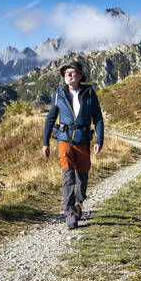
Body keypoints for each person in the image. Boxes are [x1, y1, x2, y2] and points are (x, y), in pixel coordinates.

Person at [42, 61, 104, 229]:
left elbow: (97, 118)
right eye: (66, 73)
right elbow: (50, 119)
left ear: (80, 76)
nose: (69, 75)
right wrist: (45, 142)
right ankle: (70, 212)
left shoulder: (89, 93)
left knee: (82, 177)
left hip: (83, 139)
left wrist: (99, 140)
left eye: (73, 72)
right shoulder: (58, 94)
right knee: (68, 175)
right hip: (64, 139)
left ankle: (78, 203)